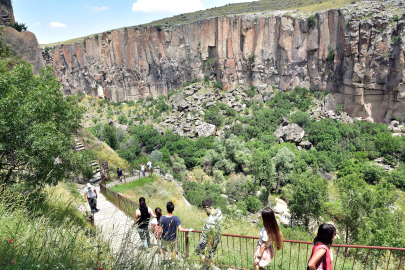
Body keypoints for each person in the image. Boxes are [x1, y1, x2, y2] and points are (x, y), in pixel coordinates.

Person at [195, 199, 223, 267]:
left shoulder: (210, 219)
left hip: (207, 240)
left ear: (206, 208)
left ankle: (211, 266)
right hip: (217, 239)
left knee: (198, 251)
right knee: (211, 255)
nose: (204, 211)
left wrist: (209, 245)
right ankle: (209, 266)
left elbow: (212, 233)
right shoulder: (219, 212)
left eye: (204, 209)